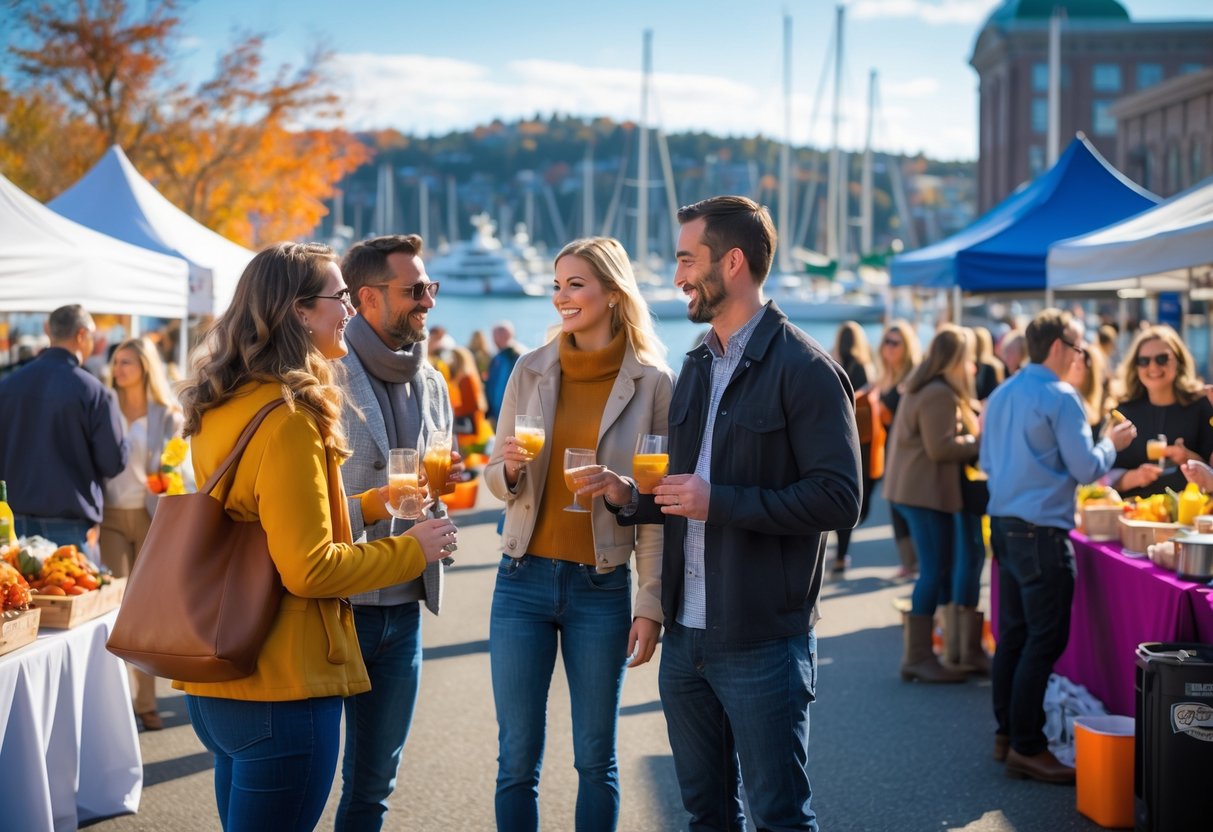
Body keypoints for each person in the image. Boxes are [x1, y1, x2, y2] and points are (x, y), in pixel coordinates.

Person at [175, 242, 457, 832]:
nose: (349, 311)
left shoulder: (224, 402)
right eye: (339, 299)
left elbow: (273, 522)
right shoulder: (291, 417)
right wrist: (415, 549)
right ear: (300, 312)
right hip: (284, 679)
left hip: (220, 672)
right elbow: (309, 568)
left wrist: (376, 503)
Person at [612, 196, 861, 831]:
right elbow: (682, 489)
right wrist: (630, 497)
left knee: (779, 817)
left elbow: (840, 500)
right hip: (685, 637)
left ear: (733, 261)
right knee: (704, 816)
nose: (677, 277)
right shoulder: (695, 365)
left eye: (686, 260)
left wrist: (715, 502)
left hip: (763, 642)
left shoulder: (807, 370)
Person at [482, 236, 672, 832]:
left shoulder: (655, 384)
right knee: (516, 759)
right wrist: (509, 468)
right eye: (558, 285)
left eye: (576, 284)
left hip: (602, 588)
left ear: (613, 294)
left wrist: (651, 603)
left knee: (596, 759)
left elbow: (655, 505)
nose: (562, 297)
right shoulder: (529, 369)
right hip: (521, 580)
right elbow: (495, 475)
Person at [333, 233, 463, 831]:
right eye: (414, 290)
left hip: (405, 607)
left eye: (429, 287)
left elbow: (437, 478)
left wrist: (441, 507)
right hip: (336, 604)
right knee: (306, 779)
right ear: (367, 298)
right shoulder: (322, 374)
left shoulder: (433, 381)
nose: (428, 301)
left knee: (373, 786)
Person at [981, 308, 1135, 784]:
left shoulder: (1003, 392)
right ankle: (1026, 745)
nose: (1080, 357)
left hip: (1006, 525)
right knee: (1041, 638)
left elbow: (987, 460)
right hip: (1040, 532)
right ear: (1058, 348)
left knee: (1016, 636)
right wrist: (1112, 442)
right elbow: (1088, 468)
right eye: (1077, 348)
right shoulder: (1061, 395)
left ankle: (1008, 734)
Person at [884, 325, 983, 684]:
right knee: (933, 570)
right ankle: (920, 656)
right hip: (923, 493)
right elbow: (940, 448)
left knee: (936, 569)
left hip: (916, 491)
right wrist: (978, 439)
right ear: (957, 358)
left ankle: (943, 651)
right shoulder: (938, 392)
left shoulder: (923, 386)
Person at [100, 337, 188, 732]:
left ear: (145, 368)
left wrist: (166, 477)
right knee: (114, 610)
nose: (118, 370)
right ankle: (114, 706)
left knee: (144, 612)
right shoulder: (104, 407)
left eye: (126, 363)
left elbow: (178, 468)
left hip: (151, 517)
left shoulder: (166, 414)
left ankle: (146, 701)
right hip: (110, 518)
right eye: (116, 362)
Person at [0, 304, 126, 551]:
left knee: (20, 591)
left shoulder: (8, 386)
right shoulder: (93, 391)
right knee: (77, 589)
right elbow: (112, 462)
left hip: (15, 522)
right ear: (81, 335)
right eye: (92, 335)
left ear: (49, 331)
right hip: (70, 526)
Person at [1106, 325, 1213, 500]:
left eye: (1162, 359)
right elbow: (1100, 475)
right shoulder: (1123, 412)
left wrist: (1188, 458)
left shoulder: (1202, 407)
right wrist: (1133, 477)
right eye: (1144, 361)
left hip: (1190, 517)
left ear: (1178, 362)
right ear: (1136, 366)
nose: (1153, 366)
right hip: (1132, 514)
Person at [875, 320, 922, 579]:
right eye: (886, 342)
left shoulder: (912, 376)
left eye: (895, 342)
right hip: (888, 451)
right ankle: (907, 563)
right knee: (894, 504)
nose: (889, 348)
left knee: (907, 505)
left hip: (907, 451)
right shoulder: (884, 376)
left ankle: (917, 562)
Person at [830, 320, 877, 576]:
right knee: (856, 498)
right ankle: (841, 555)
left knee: (837, 494)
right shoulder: (864, 369)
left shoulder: (830, 363)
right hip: (861, 442)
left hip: (835, 438)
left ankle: (838, 554)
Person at [449, 345, 490, 449]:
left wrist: (452, 410)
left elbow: (470, 406)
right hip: (475, 425)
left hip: (469, 429)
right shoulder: (470, 375)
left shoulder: (465, 378)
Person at [486, 321, 524, 426]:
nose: (493, 340)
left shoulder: (517, 356)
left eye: (494, 335)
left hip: (511, 414)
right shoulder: (497, 357)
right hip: (497, 413)